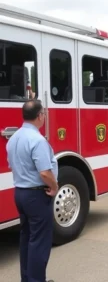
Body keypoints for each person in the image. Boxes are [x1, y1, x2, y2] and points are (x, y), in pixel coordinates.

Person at [6, 100, 58, 282]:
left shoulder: (14, 138)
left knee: (26, 238)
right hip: (36, 194)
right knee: (39, 242)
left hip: (20, 192)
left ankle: (27, 279)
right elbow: (44, 172)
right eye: (43, 113)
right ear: (40, 116)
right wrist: (55, 187)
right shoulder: (37, 140)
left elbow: (12, 165)